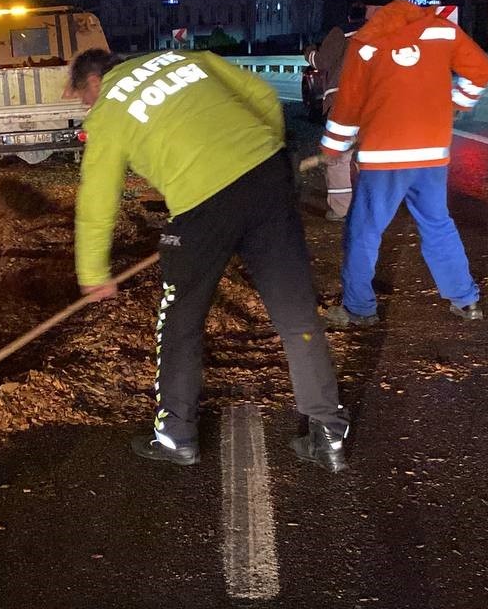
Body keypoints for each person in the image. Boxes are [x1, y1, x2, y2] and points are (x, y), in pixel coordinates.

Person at [70, 47, 350, 473]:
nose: (85, 103)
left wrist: (93, 272)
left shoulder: (108, 109)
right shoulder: (186, 57)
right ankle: (328, 434)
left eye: (81, 96)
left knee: (179, 324)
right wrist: (271, 153)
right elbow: (261, 95)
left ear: (94, 81)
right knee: (296, 315)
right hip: (266, 178)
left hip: (202, 208)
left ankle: (176, 436)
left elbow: (97, 198)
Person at [319, 0, 488, 327]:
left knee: (364, 231)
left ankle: (358, 308)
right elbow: (482, 70)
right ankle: (466, 301)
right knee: (437, 224)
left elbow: (348, 104)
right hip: (432, 152)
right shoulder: (442, 31)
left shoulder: (366, 42)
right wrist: (457, 102)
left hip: (383, 156)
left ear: (372, 9)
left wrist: (332, 147)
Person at [304, 3, 368, 222]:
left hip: (344, 101)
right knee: (368, 156)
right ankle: (373, 206)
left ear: (349, 16)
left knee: (338, 158)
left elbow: (322, 61)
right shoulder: (382, 31)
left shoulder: (341, 31)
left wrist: (309, 51)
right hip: (375, 101)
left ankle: (341, 210)